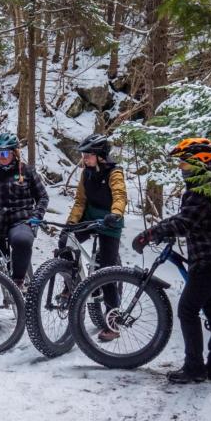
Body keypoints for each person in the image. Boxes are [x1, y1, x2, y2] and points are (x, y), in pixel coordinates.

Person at [131, 138, 211, 384]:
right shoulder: (207, 186)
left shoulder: (203, 189)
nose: (180, 168)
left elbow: (185, 222)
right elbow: (187, 218)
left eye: (184, 163)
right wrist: (164, 228)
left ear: (199, 163)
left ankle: (194, 368)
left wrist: (153, 233)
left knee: (188, 309)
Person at [0, 132, 49, 335]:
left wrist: (37, 217)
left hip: (21, 219)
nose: (2, 156)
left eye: (5, 152)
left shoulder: (28, 172)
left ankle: (18, 282)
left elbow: (43, 197)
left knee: (22, 240)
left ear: (15, 153)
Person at [62, 133, 127, 342]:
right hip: (90, 217)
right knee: (65, 242)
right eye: (83, 155)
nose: (84, 159)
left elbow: (120, 196)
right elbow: (80, 201)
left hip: (110, 222)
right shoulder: (85, 174)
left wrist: (115, 214)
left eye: (88, 155)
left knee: (107, 271)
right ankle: (70, 284)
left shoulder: (114, 172)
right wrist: (71, 223)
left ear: (100, 156)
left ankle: (114, 322)